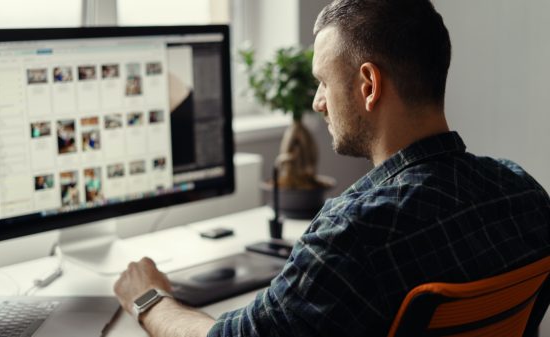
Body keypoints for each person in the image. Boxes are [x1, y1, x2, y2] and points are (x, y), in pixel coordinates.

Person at [114, 0, 550, 336]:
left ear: (368, 85)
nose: (317, 102)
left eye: (323, 82)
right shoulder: (524, 193)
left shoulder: (354, 231)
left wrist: (149, 298)